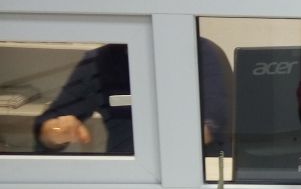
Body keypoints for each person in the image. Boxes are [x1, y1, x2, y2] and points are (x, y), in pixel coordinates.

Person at [35, 38, 231, 156]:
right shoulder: (100, 60)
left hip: (196, 172)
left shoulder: (201, 53)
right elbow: (47, 127)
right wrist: (55, 132)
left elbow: (208, 128)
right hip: (127, 172)